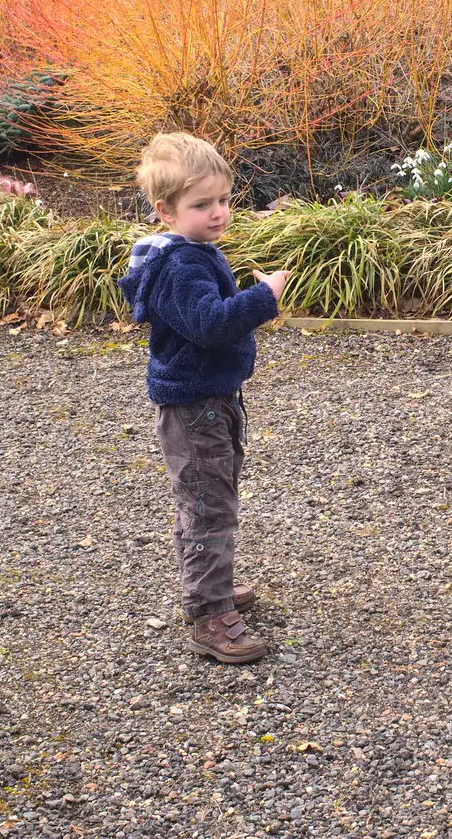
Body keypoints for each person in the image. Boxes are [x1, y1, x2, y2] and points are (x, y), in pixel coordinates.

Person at [119, 132, 291, 664]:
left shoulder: (187, 251)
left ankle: (211, 586)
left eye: (223, 200)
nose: (218, 213)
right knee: (206, 507)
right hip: (196, 408)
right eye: (201, 205)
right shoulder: (182, 265)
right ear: (165, 211)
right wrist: (264, 298)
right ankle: (209, 613)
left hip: (210, 400)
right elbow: (210, 325)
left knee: (210, 499)